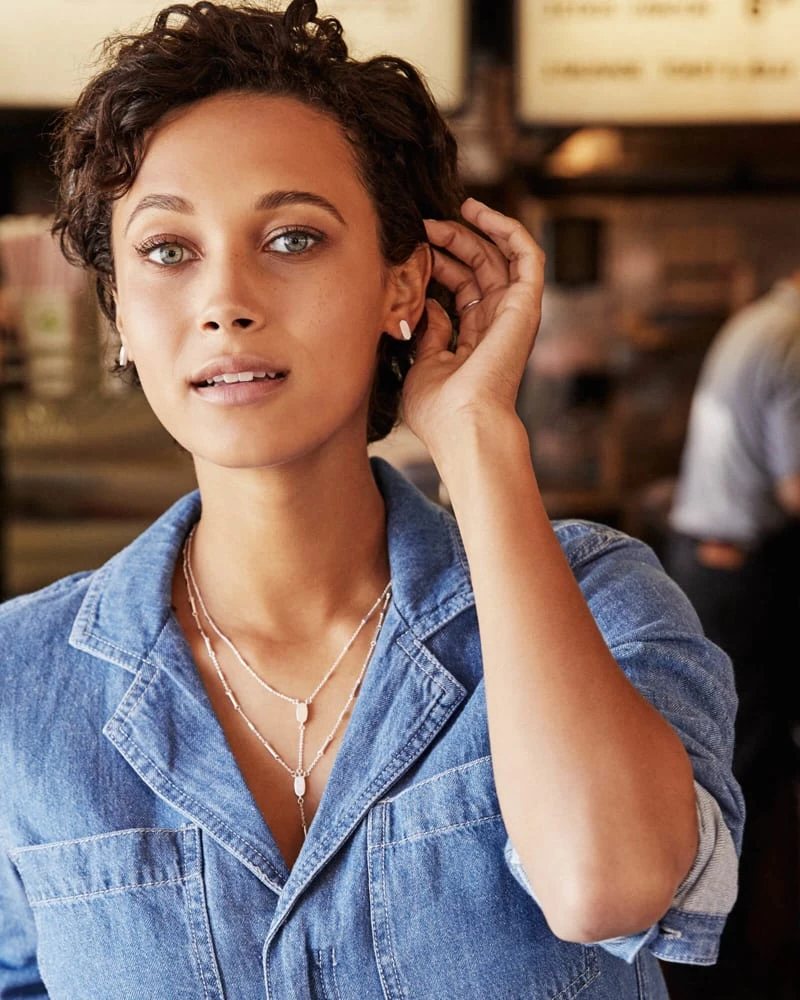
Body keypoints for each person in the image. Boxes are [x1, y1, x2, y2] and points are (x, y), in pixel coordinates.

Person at [0, 3, 743, 997]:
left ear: (403, 286)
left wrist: (478, 435)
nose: (226, 300)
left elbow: (603, 889)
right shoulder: (23, 681)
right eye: (169, 250)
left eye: (293, 237)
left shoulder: (601, 601)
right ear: (120, 316)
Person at [666, 274, 800, 995]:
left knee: (729, 764)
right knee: (739, 773)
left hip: (714, 564)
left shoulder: (759, 323)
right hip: (744, 576)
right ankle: (722, 968)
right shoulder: (794, 340)